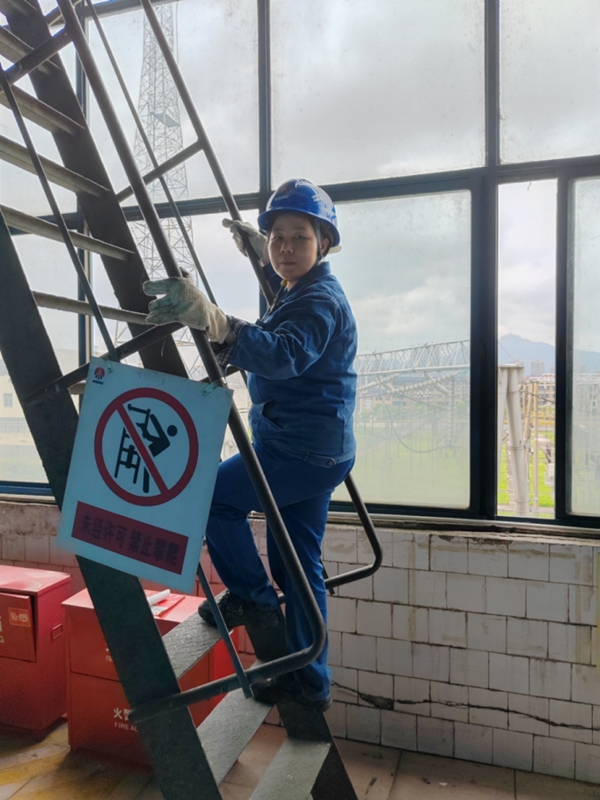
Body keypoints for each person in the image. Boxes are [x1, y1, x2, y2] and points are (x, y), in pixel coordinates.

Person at [143, 178, 357, 711]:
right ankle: (309, 682)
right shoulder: (297, 287)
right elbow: (280, 299)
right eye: (276, 237)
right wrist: (261, 258)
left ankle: (251, 598)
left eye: (299, 237)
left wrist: (216, 320)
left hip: (298, 451)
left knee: (211, 499)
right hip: (319, 448)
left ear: (324, 243)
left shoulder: (319, 300)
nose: (285, 248)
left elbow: (284, 352)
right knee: (298, 564)